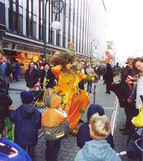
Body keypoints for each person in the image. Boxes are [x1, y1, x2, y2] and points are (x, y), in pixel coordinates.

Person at [50, 43, 98, 135]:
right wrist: (63, 64)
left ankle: (72, 126)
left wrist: (93, 78)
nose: (69, 65)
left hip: (74, 94)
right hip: (62, 95)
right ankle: (56, 130)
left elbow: (84, 76)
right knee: (59, 113)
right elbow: (54, 69)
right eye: (67, 63)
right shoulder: (60, 70)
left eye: (70, 63)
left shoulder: (75, 72)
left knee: (80, 103)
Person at [8, 91, 41, 160]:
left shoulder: (18, 110)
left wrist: (11, 111)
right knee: (31, 151)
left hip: (20, 136)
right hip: (32, 136)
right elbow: (38, 126)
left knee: (20, 150)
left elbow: (12, 118)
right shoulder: (37, 112)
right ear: (32, 100)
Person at [41, 94, 68, 161]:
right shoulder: (56, 112)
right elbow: (64, 116)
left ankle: (47, 159)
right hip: (56, 135)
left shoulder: (46, 111)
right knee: (55, 150)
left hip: (47, 134)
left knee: (48, 148)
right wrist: (60, 109)